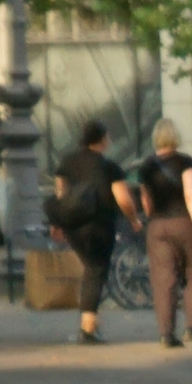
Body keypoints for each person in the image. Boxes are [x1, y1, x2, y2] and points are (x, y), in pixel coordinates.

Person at [49, 118, 137, 345]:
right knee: (96, 270)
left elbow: (61, 194)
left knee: (90, 269)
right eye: (107, 136)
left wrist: (57, 223)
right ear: (101, 140)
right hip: (100, 225)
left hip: (74, 226)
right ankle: (87, 328)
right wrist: (134, 220)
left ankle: (88, 325)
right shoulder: (109, 167)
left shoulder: (67, 163)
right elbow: (123, 199)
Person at [134, 118, 192, 350]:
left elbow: (146, 204)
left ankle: (166, 334)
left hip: (158, 226)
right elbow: (191, 196)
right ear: (175, 137)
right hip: (184, 223)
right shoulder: (185, 163)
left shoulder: (146, 167)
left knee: (163, 279)